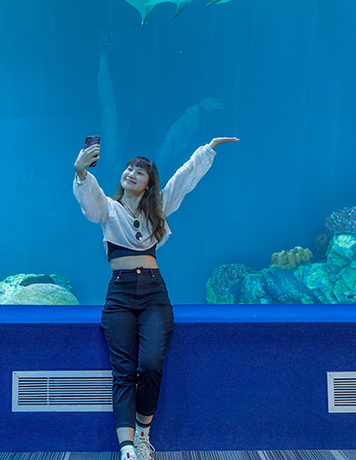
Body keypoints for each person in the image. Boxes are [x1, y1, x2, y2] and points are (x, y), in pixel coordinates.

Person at [73, 136, 239, 460]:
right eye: (129, 168)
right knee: (123, 371)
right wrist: (81, 172)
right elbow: (89, 199)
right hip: (119, 293)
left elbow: (183, 179)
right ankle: (126, 449)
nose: (132, 173)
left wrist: (208, 148)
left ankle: (142, 436)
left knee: (150, 365)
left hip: (153, 293)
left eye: (140, 172)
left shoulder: (157, 210)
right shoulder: (109, 208)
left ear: (149, 184)